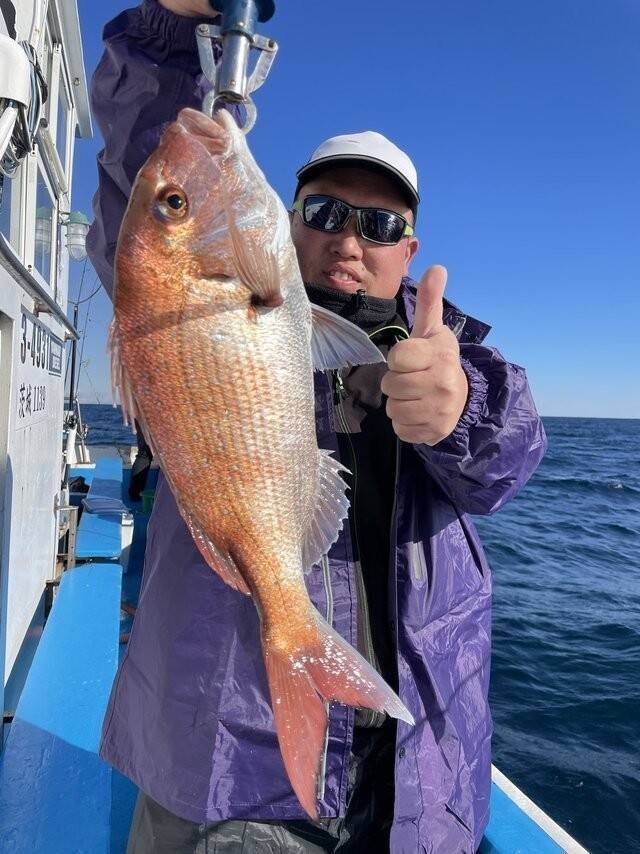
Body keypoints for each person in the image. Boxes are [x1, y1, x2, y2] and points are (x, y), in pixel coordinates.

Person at [88, 2, 547, 851]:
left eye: (382, 225)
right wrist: (170, 29)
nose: (351, 241)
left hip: (415, 776)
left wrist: (458, 412)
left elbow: (510, 461)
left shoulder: (455, 352)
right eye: (327, 212)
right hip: (233, 767)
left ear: (410, 251)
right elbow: (143, 183)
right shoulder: (193, 296)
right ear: (291, 219)